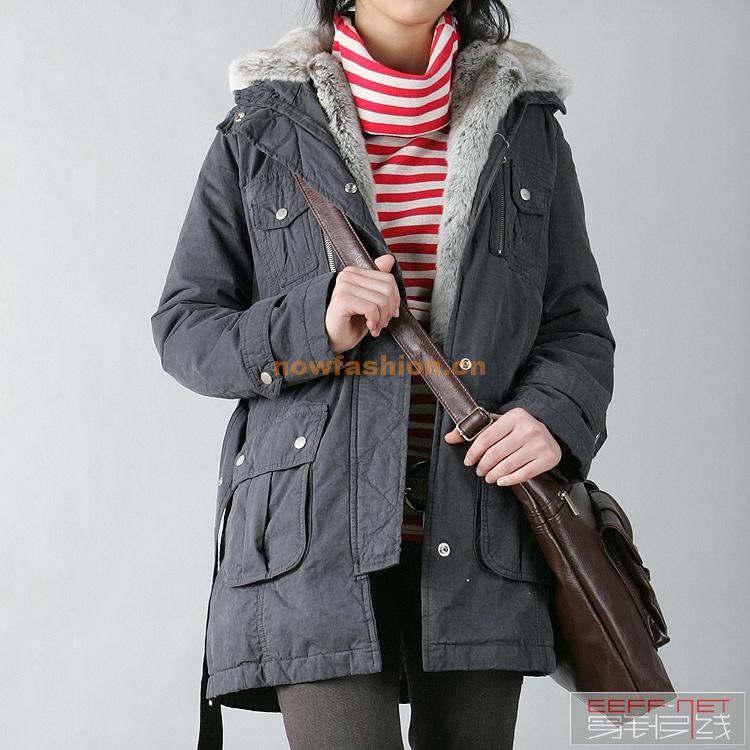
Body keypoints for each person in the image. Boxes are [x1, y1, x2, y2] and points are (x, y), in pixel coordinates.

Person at [150, 1, 615, 748]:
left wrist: (552, 417)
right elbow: (185, 327)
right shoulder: (259, 128)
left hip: (481, 527)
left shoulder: (526, 129)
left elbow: (576, 325)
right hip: (314, 539)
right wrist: (314, 322)